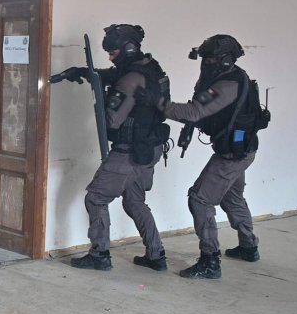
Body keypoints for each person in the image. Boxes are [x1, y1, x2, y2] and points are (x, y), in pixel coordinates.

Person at [137, 34, 265, 279]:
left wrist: (158, 103)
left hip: (232, 155)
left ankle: (210, 260)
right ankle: (249, 247)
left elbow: (194, 111)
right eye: (204, 59)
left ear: (225, 60)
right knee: (232, 197)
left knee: (199, 199)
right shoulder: (235, 76)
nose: (205, 64)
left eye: (210, 59)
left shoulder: (226, 84)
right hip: (243, 150)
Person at [53, 24, 171, 271]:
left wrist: (104, 98)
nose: (110, 58)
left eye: (113, 53)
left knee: (96, 198)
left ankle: (100, 255)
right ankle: (156, 255)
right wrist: (85, 72)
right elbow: (113, 75)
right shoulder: (150, 68)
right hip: (150, 148)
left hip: (128, 152)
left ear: (128, 49)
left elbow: (112, 120)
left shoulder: (129, 79)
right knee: (135, 201)